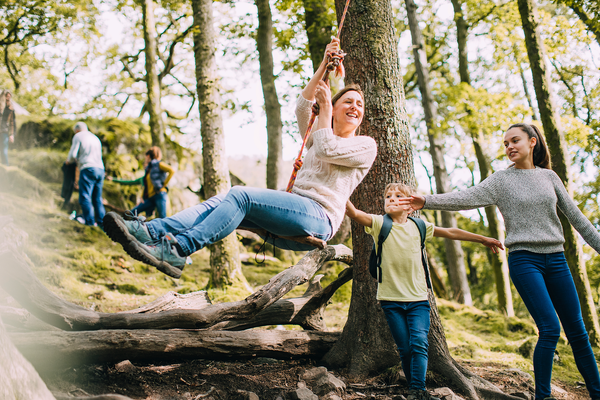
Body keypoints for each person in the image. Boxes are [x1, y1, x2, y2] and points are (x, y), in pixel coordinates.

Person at [103, 37, 377, 279]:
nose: (355, 107)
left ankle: (178, 249)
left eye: (359, 104)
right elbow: (303, 106)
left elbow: (329, 148)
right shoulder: (319, 132)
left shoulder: (364, 146)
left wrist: (327, 105)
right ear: (337, 107)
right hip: (294, 212)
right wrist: (323, 66)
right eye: (348, 101)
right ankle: (152, 232)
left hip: (319, 218)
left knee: (241, 195)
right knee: (219, 200)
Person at [397, 123, 600, 400]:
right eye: (505, 144)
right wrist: (426, 201)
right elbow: (466, 197)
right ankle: (543, 397)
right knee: (550, 329)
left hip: (557, 260)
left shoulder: (550, 177)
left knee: (578, 333)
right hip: (525, 261)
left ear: (532, 142)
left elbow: (579, 220)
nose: (509, 147)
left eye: (515, 141)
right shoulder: (501, 181)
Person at [346, 183, 503, 400]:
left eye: (398, 196)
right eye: (388, 196)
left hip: (419, 299)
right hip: (390, 300)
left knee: (419, 343)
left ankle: (417, 391)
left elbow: (449, 232)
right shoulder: (379, 223)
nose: (391, 199)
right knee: (405, 349)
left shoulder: (419, 226)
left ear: (410, 205)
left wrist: (482, 238)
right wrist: (337, 188)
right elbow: (354, 213)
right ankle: (416, 390)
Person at [109, 146, 175, 219]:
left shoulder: (158, 164)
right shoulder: (148, 171)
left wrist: (164, 184)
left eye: (145, 157)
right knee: (132, 212)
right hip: (150, 198)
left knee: (162, 218)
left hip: (159, 194)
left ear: (148, 156)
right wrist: (142, 196)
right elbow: (139, 184)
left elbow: (171, 170)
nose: (145, 159)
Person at [66, 122, 106, 229]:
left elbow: (73, 155)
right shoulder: (95, 138)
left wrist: (68, 162)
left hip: (88, 168)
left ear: (77, 130)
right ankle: (103, 224)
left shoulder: (78, 136)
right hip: (100, 169)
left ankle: (90, 223)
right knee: (97, 198)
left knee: (85, 196)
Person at [0, 90, 16, 166]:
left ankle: (6, 167)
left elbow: (12, 123)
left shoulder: (11, 108)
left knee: (4, 151)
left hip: (4, 131)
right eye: (6, 96)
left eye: (9, 97)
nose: (8, 98)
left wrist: (11, 134)